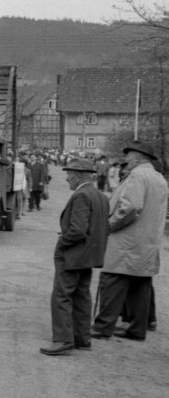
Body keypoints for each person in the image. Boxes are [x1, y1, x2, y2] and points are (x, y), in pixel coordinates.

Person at [92, 140, 169, 342]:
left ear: (137, 157)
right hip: (147, 242)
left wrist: (109, 225)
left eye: (128, 156)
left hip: (127, 242)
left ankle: (102, 327)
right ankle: (137, 329)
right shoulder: (158, 177)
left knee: (111, 280)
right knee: (140, 285)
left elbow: (131, 207)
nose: (126, 160)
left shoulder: (137, 175)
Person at [40, 158, 110, 355]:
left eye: (69, 174)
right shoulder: (100, 196)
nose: (67, 178)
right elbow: (105, 227)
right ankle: (82, 338)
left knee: (62, 295)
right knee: (81, 295)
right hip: (89, 255)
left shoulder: (81, 195)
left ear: (79, 175)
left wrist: (63, 243)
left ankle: (63, 340)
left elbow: (77, 230)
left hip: (73, 254)